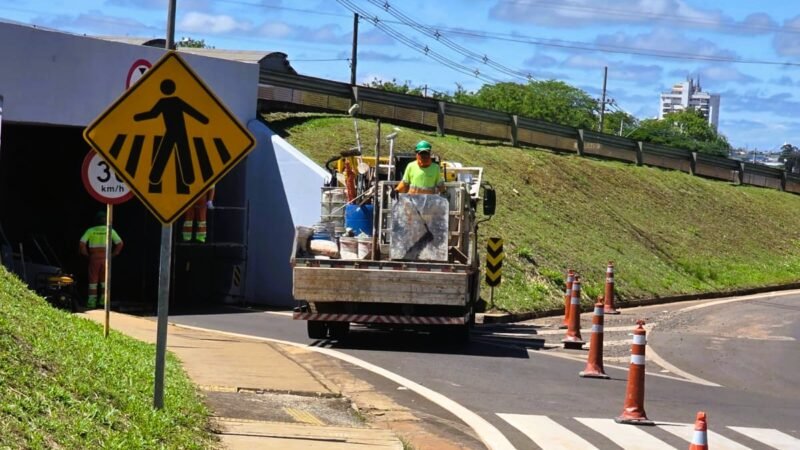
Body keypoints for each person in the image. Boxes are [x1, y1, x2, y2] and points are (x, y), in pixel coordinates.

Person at [79, 211, 123, 309]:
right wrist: (113, 255)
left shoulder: (90, 230)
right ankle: (103, 302)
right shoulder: (110, 230)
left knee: (93, 282)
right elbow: (120, 243)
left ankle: (91, 303)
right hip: (106, 259)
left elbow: (81, 244)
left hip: (94, 258)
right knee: (104, 281)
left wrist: (86, 255)